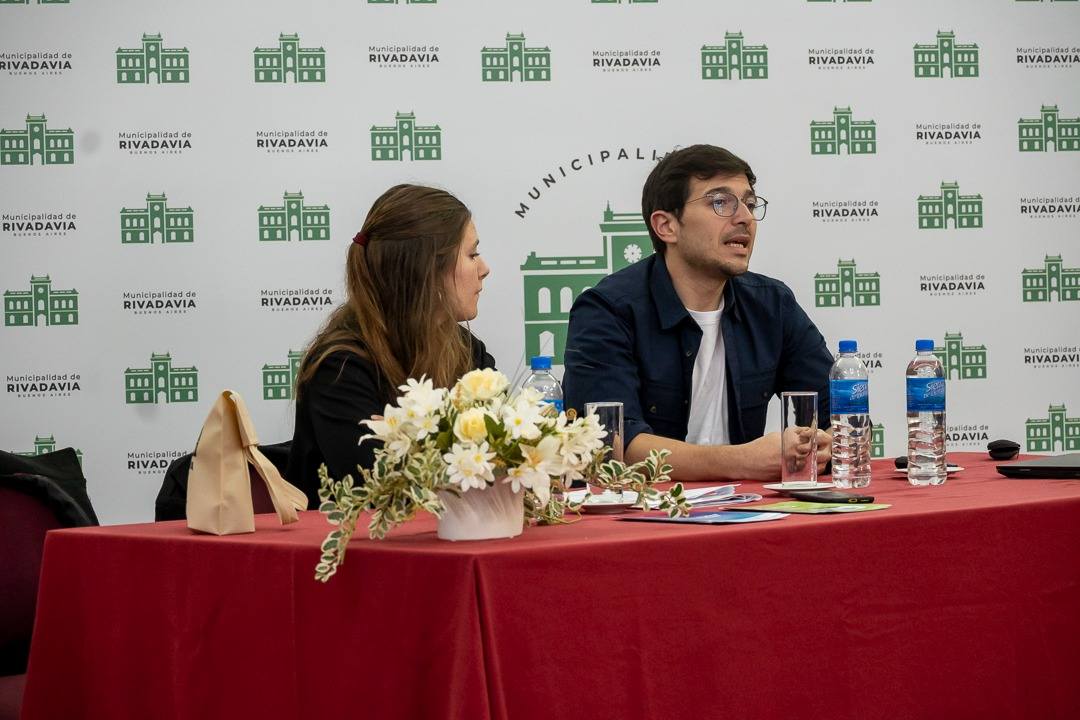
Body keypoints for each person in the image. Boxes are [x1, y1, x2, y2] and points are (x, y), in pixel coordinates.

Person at [563, 145, 831, 482]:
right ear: (666, 226)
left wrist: (824, 445)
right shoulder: (607, 310)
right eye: (720, 202)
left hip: (750, 507)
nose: (745, 218)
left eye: (749, 204)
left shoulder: (772, 305)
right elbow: (609, 446)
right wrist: (741, 461)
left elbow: (835, 414)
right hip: (647, 507)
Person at [286, 184, 493, 507]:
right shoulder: (339, 368)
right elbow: (381, 489)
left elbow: (500, 459)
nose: (484, 269)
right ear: (427, 268)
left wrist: (408, 439)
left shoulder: (468, 351)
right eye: (472, 255)